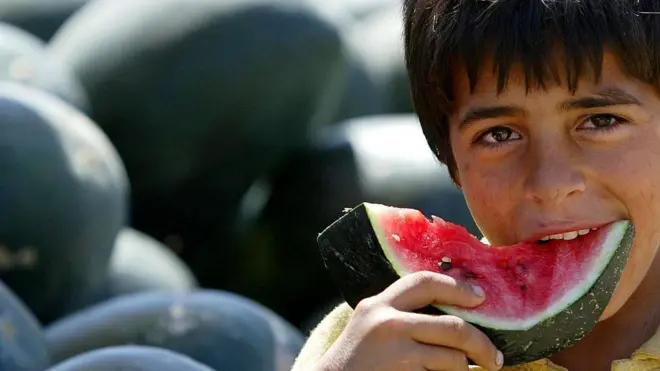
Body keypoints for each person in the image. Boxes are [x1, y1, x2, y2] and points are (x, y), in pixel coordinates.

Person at [290, 0, 660, 370]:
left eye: (601, 121)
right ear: (450, 161)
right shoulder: (373, 341)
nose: (551, 184)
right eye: (499, 134)